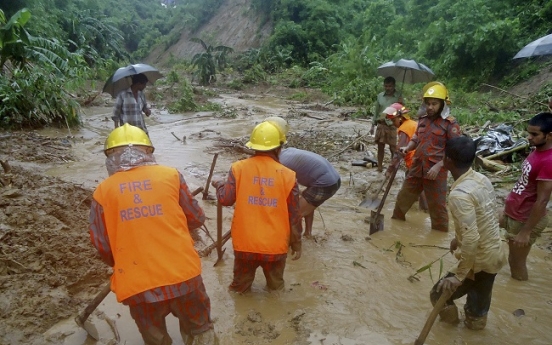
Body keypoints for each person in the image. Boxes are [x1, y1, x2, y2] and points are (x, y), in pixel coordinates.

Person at [88, 124, 215, 345]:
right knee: (200, 329)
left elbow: (103, 247)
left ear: (110, 157)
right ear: (147, 151)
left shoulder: (102, 192)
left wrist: (126, 260)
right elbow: (196, 218)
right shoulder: (171, 176)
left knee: (155, 340)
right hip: (183, 276)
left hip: (138, 287)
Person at [211, 122, 302, 293]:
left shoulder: (238, 168)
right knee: (276, 291)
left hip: (245, 245)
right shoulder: (288, 176)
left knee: (239, 290)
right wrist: (297, 243)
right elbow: (294, 215)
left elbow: (225, 199)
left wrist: (220, 185)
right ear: (279, 147)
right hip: (274, 248)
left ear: (253, 147)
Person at [429, 136, 507, 330]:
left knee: (438, 294)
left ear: (447, 160)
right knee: (478, 305)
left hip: (478, 260)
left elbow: (472, 238)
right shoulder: (482, 179)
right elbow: (486, 216)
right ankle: (475, 329)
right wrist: (458, 238)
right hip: (495, 253)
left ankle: (449, 328)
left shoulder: (459, 195)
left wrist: (459, 275)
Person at [392, 83, 462, 232]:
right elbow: (417, 138)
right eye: (428, 103)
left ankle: (439, 235)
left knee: (437, 207)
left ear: (442, 104)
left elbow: (454, 149)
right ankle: (396, 226)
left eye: (434, 104)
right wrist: (408, 147)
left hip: (436, 172)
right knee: (403, 198)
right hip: (417, 166)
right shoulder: (423, 119)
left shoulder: (450, 124)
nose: (430, 107)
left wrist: (439, 166)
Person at [264, 116, 341, 238]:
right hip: (334, 178)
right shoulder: (287, 152)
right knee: (307, 202)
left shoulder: (281, 165)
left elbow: (282, 193)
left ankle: (291, 242)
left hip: (324, 183)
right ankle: (308, 234)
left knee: (294, 215)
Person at [500, 112, 552, 281]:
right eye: (529, 133)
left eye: (534, 134)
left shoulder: (549, 161)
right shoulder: (537, 151)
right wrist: (507, 208)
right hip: (515, 211)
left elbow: (542, 200)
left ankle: (519, 294)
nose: (529, 137)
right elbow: (523, 184)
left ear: (549, 136)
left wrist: (526, 231)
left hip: (525, 218)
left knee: (516, 262)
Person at [384, 103, 428, 211]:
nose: (393, 124)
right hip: (422, 158)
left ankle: (425, 209)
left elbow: (399, 152)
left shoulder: (404, 129)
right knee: (415, 180)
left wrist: (390, 169)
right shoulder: (412, 123)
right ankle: (419, 204)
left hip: (415, 160)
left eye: (394, 121)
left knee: (417, 185)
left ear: (400, 118)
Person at [371, 76, 404, 172]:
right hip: (381, 124)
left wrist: (401, 105)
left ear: (394, 86)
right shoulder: (380, 96)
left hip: (392, 125)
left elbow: (402, 111)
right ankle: (380, 167)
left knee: (393, 148)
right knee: (380, 146)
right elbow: (376, 111)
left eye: (390, 86)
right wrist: (373, 125)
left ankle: (393, 167)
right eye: (386, 86)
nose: (388, 88)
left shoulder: (398, 97)